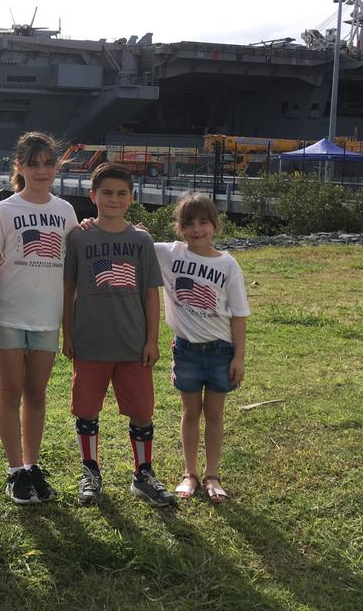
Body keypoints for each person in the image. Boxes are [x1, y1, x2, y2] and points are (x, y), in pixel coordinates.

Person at [63, 163, 174, 507]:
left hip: (132, 343)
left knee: (142, 411)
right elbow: (68, 291)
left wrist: (152, 340)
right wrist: (68, 334)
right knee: (86, 410)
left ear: (131, 198)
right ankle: (90, 471)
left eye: (121, 193)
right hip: (91, 341)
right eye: (106, 193)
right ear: (92, 196)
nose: (114, 199)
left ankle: (143, 474)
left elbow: (151, 294)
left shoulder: (141, 240)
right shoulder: (79, 237)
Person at [0, 132, 77, 504]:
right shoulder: (3, 211)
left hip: (46, 319)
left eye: (48, 163)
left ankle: (32, 464)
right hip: (8, 316)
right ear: (18, 167)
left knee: (37, 394)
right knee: (10, 392)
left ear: (57, 167)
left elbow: (74, 264)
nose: (42, 170)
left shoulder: (65, 210)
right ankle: (14, 471)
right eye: (33, 163)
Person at [154, 193, 249, 504]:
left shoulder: (227, 264)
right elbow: (132, 239)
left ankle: (212, 474)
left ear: (215, 226)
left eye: (203, 223)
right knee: (190, 412)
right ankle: (189, 473)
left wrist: (239, 357)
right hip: (187, 351)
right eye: (189, 224)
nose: (197, 230)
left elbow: (238, 314)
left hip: (221, 351)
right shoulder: (169, 254)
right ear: (179, 228)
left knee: (215, 414)